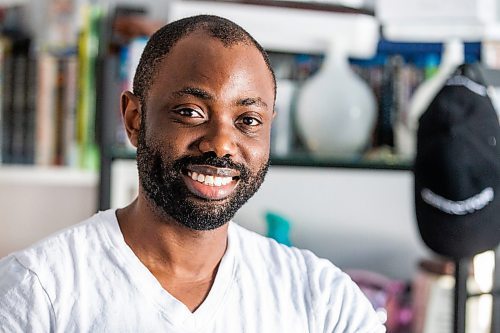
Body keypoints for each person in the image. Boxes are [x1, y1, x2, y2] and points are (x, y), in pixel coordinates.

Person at [0, 15, 385, 332]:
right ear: (135, 119)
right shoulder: (37, 290)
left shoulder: (323, 301)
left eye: (248, 120)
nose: (221, 144)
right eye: (190, 112)